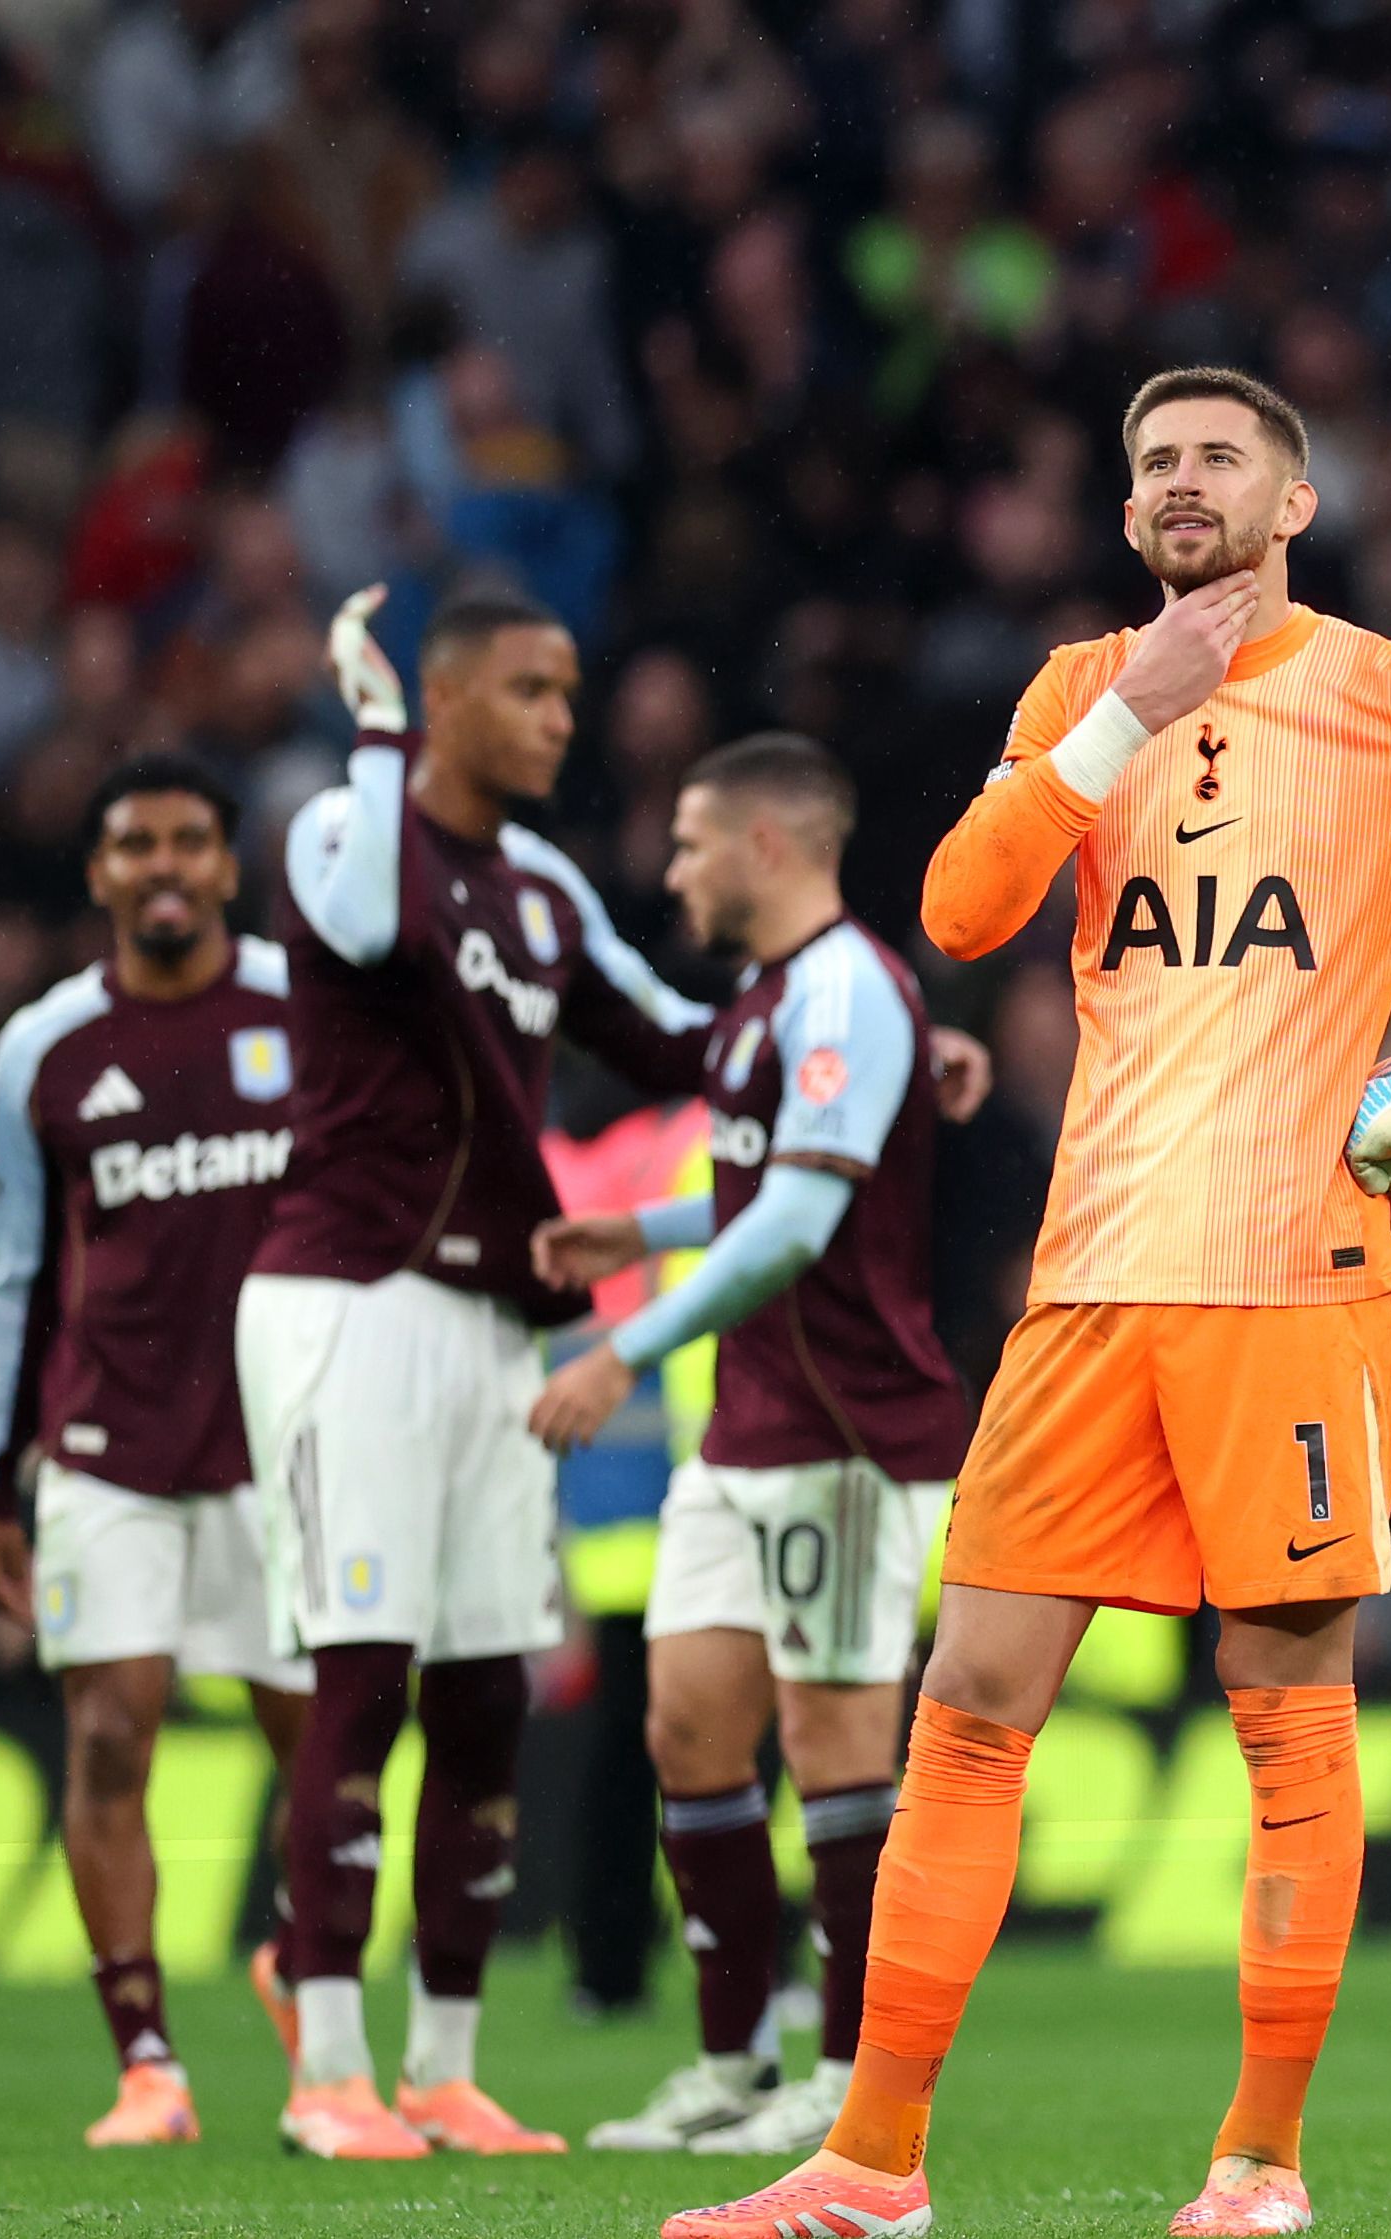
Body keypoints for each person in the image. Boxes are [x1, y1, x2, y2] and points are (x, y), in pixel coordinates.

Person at [665, 364, 1391, 2239]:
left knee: (1286, 1708)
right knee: (968, 1705)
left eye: (1224, 455)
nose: (1186, 480)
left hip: (1292, 1278)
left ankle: (1259, 2164)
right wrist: (1122, 716)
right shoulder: (1079, 689)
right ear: (1130, 513)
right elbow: (958, 914)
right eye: (1157, 462)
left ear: (1295, 502)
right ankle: (871, 2165)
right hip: (1090, 1279)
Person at [241, 585, 724, 2160]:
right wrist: (377, 739)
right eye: (529, 690)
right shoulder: (346, 830)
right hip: (351, 1299)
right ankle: (327, 2066)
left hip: (495, 1321)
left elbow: (672, 1041)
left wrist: (851, 1038)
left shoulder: (545, 890)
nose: (561, 721)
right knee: (364, 1675)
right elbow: (369, 931)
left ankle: (441, 2067)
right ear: (440, 703)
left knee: (485, 1693)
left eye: (568, 692)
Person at [525, 734, 983, 2158]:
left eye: (691, 844)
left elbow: (796, 1224)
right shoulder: (762, 1006)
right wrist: (645, 1230)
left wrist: (625, 1346)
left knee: (836, 1750)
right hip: (745, 1433)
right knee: (686, 1729)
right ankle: (734, 2063)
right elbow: (755, 1188)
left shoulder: (845, 988)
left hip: (843, 1429)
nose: (674, 873)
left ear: (766, 846)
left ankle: (848, 2079)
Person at [0, 752, 311, 2147]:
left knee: (323, 1747)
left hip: (281, 1445)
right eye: (135, 845)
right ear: (100, 871)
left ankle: (306, 1964)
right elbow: (9, 1273)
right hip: (107, 1446)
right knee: (110, 1735)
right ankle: (148, 2065)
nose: (163, 866)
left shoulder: (304, 1007)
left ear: (227, 863)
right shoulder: (44, 1047)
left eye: (187, 841)